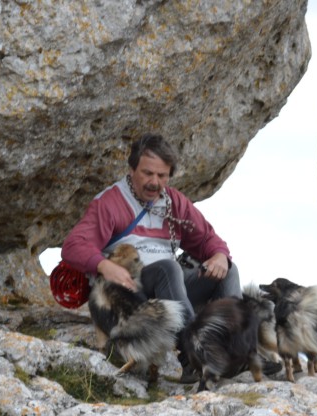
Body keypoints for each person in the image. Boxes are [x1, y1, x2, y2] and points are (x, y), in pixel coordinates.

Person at [61, 133, 276, 382]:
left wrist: (219, 256)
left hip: (172, 290)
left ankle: (238, 353)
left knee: (227, 269)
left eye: (162, 176)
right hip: (131, 297)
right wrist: (104, 265)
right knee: (168, 269)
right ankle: (193, 358)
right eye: (147, 173)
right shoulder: (110, 203)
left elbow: (208, 239)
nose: (154, 182)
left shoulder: (173, 202)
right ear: (131, 170)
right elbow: (73, 246)